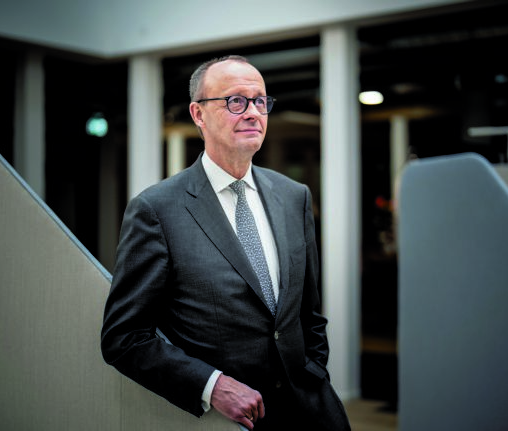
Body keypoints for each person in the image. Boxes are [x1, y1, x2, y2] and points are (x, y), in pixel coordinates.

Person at [101, 55, 351, 431]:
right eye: (236, 101)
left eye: (260, 101)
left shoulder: (293, 195)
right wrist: (212, 386)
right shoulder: (156, 210)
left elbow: (308, 313)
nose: (252, 113)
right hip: (227, 421)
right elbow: (124, 337)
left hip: (310, 411)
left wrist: (315, 371)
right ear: (198, 114)